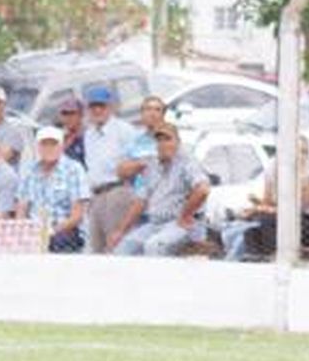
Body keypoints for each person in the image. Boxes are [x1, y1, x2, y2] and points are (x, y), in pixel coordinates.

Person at [109, 121, 210, 257]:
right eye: (159, 140)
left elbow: (203, 190)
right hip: (156, 224)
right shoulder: (152, 165)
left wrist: (186, 214)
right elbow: (140, 202)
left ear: (178, 142)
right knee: (124, 247)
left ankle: (157, 279)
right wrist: (120, 231)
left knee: (154, 245)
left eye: (168, 139)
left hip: (182, 225)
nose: (163, 144)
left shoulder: (187, 163)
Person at [223, 136, 309, 261]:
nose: (301, 155)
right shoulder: (273, 169)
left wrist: (261, 209)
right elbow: (268, 203)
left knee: (252, 229)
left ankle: (262, 258)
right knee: (241, 232)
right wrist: (256, 206)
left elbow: (295, 210)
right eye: (297, 151)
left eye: (304, 151)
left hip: (303, 223)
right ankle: (234, 264)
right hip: (275, 221)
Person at [82, 86, 140, 253]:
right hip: (96, 195)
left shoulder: (124, 130)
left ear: (111, 107)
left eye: (102, 105)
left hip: (118, 191)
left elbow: (140, 161)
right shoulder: (89, 134)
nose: (98, 110)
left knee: (115, 247)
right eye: (93, 106)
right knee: (96, 248)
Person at [15, 127, 91, 253]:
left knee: (57, 242)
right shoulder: (29, 171)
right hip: (33, 232)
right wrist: (23, 231)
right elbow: (21, 208)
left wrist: (50, 231)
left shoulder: (74, 169)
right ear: (38, 147)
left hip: (65, 231)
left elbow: (77, 215)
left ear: (61, 146)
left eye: (53, 144)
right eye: (44, 144)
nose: (49, 148)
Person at [58, 96, 87, 167]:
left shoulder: (89, 137)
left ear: (81, 115)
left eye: (72, 113)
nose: (68, 118)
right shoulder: (60, 138)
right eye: (65, 113)